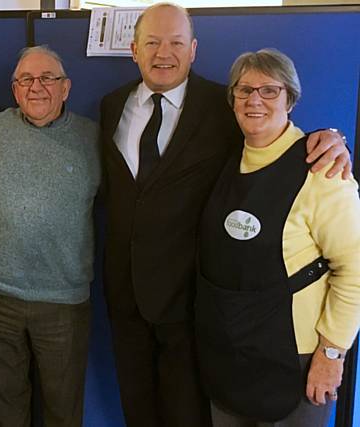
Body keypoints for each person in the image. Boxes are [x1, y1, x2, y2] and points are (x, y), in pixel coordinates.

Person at [99, 3, 351, 426]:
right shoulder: (110, 107)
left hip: (193, 307)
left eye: (176, 42)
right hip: (125, 299)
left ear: (193, 49)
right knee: (136, 413)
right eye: (153, 43)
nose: (165, 52)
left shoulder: (224, 105)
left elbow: (273, 135)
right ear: (133, 49)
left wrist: (333, 137)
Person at [195, 48, 360, 427]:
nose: (255, 100)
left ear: (290, 99)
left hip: (295, 362)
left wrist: (332, 355)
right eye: (244, 90)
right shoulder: (226, 159)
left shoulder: (324, 171)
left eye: (270, 90)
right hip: (227, 356)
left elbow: (354, 271)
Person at [0, 45, 100, 427]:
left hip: (63, 300)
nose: (36, 87)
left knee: (63, 409)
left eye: (48, 78)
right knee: (3, 408)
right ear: (14, 90)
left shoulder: (93, 138)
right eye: (25, 79)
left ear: (66, 88)